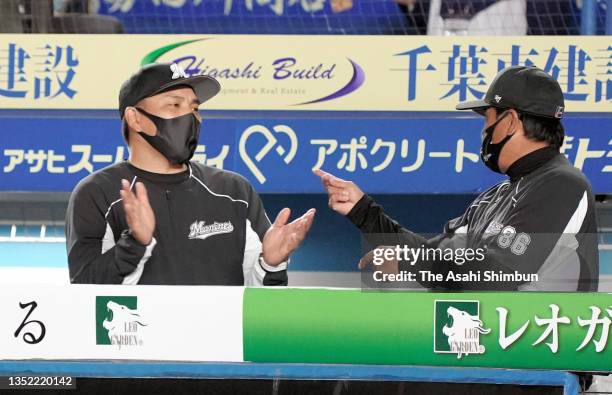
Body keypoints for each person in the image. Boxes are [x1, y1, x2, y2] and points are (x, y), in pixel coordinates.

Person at [316, 65, 599, 291]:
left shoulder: (562, 184)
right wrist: (362, 210)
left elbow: (495, 275)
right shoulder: (494, 197)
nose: (485, 131)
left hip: (548, 356)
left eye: (487, 120)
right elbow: (435, 255)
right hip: (501, 354)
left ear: (511, 121)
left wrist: (410, 261)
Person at [66, 62, 315, 285]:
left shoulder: (234, 191)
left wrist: (270, 264)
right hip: (144, 335)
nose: (191, 117)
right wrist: (134, 244)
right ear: (135, 119)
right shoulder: (98, 192)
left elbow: (260, 304)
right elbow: (85, 290)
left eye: (194, 108)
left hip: (220, 337)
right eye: (175, 105)